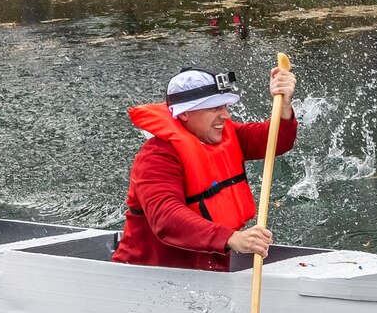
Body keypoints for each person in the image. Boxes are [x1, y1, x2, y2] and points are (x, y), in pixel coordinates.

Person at [113, 65, 298, 272]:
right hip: (145, 277)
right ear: (184, 114)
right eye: (214, 108)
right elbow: (166, 218)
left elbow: (276, 140)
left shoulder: (225, 136)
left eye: (225, 106)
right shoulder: (156, 157)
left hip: (205, 274)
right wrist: (232, 238)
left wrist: (284, 105)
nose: (225, 115)